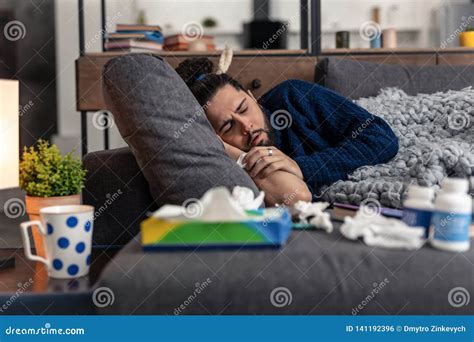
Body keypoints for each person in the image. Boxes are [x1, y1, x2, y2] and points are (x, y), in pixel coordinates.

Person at [175, 57, 399, 206]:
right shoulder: (232, 161)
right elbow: (295, 199)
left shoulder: (293, 97)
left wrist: (301, 166)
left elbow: (380, 137)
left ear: (253, 97)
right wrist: (232, 153)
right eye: (227, 126)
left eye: (243, 109)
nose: (246, 126)